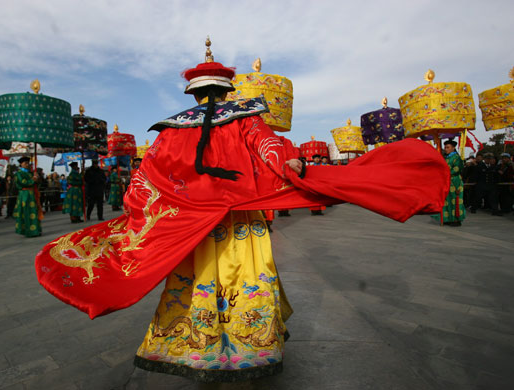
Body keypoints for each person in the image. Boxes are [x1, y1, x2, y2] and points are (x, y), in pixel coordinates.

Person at [35, 40, 449, 382]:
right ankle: (251, 344)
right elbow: (271, 149)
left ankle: (197, 345)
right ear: (226, 90)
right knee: (247, 275)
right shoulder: (247, 119)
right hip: (239, 219)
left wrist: (138, 211)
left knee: (198, 277)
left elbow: (146, 178)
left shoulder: (171, 130)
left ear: (194, 94)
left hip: (193, 225)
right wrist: (292, 165)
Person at [432, 139, 466, 226]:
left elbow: (456, 170)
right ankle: (448, 218)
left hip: (455, 182)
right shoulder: (446, 158)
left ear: (453, 148)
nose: (446, 149)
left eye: (448, 147)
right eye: (445, 147)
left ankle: (456, 220)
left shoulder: (457, 158)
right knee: (447, 201)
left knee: (455, 201)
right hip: (446, 182)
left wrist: (444, 173)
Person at [13, 157, 42, 237]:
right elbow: (23, 183)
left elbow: (36, 183)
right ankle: (28, 231)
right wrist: (33, 179)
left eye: (27, 163)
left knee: (34, 211)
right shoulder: (19, 173)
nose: (27, 164)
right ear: (21, 164)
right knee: (26, 212)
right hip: (24, 194)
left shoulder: (31, 173)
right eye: (25, 163)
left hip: (32, 194)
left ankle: (35, 230)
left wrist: (37, 178)